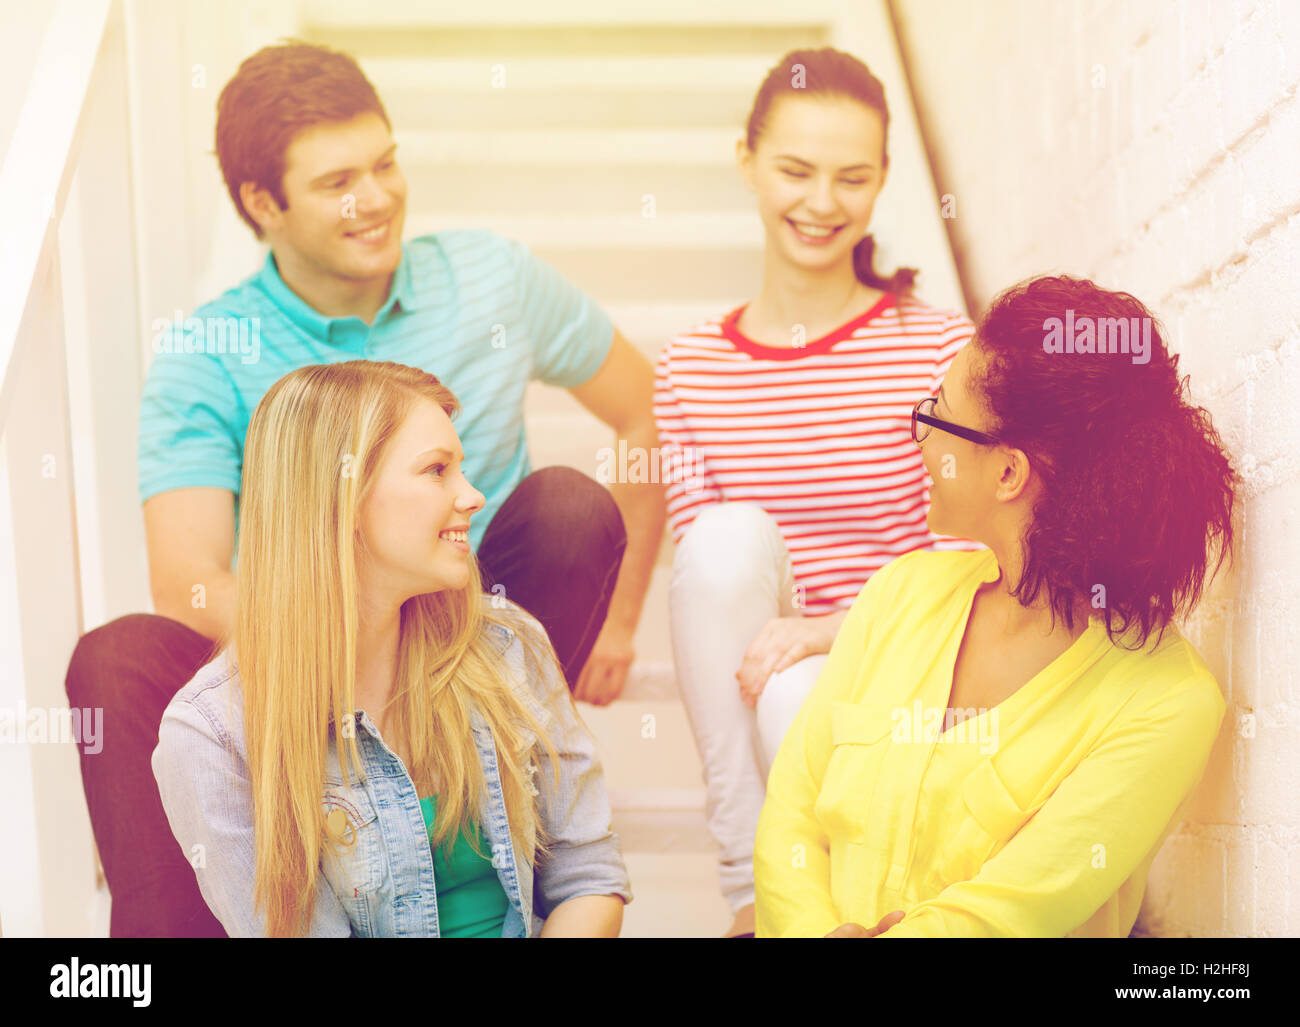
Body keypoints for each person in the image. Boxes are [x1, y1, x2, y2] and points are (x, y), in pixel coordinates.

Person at [65, 40, 663, 937]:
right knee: (118, 656)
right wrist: (341, 645)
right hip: (299, 651)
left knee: (573, 506)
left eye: (385, 163)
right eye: (340, 179)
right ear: (263, 203)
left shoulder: (491, 275)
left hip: (473, 619)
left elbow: (648, 410)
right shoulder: (207, 352)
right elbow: (189, 580)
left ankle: (493, 795)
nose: (377, 197)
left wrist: (618, 624)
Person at [754, 275, 1236, 937]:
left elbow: (1004, 916)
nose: (920, 440)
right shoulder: (901, 592)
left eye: (937, 415)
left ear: (1009, 473)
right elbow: (791, 817)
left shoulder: (1167, 703)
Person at [653, 47, 979, 937]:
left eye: (853, 177)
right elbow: (706, 586)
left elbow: (970, 561)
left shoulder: (941, 347)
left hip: (905, 666)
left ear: (881, 185)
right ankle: (754, 891)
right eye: (796, 170)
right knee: (721, 545)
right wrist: (795, 645)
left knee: (803, 692)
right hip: (768, 671)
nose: (822, 203)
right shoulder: (689, 367)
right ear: (747, 162)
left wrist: (836, 631)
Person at [152, 360, 631, 937]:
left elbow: (587, 876)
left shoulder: (509, 643)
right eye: (437, 471)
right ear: (343, 498)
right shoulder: (212, 736)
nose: (472, 496)